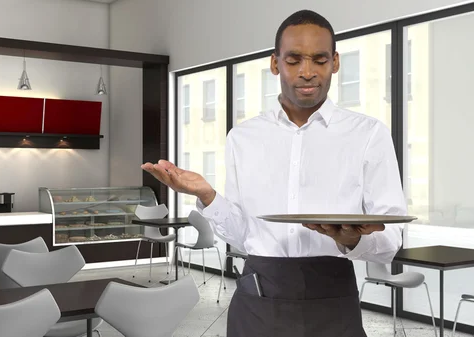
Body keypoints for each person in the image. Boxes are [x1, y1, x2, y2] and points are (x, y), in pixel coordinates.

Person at [142, 9, 406, 337]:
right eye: (294, 59)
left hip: (332, 301)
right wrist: (206, 195)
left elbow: (391, 241)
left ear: (335, 63)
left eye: (319, 60)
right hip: (257, 299)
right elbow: (242, 236)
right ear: (274, 63)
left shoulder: (369, 135)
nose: (307, 72)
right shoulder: (243, 137)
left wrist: (352, 241)